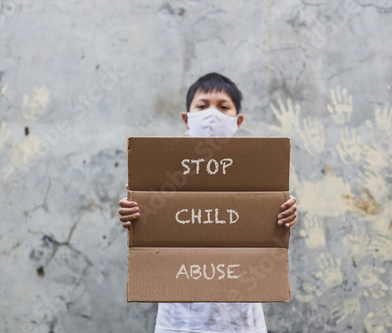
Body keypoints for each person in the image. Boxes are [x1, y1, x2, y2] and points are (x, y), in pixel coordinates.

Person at [118, 73, 298, 333]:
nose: (212, 114)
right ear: (187, 118)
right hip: (181, 320)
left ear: (238, 120)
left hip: (240, 319)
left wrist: (285, 210)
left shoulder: (255, 171)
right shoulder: (163, 170)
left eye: (223, 107)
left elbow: (271, 216)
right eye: (202, 106)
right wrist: (131, 211)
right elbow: (144, 215)